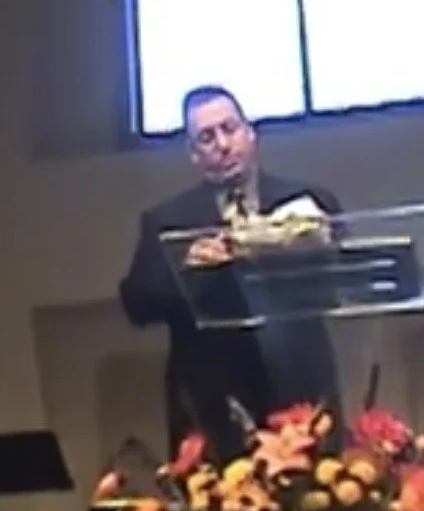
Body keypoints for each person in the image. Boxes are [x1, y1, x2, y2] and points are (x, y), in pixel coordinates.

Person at [118, 84, 344, 457]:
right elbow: (137, 304)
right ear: (193, 154)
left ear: (250, 133)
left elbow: (339, 278)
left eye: (230, 129)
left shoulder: (309, 202)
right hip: (212, 405)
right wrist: (186, 269)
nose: (223, 144)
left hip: (300, 392)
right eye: (207, 137)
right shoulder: (167, 221)